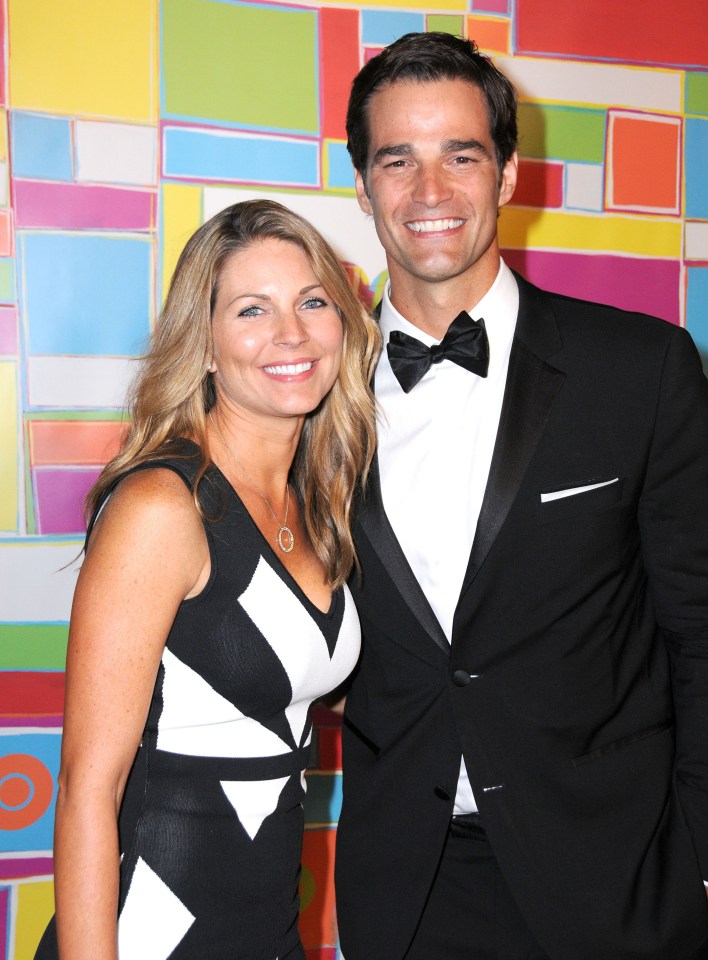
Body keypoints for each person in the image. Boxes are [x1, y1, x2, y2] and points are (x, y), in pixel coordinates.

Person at [334, 31, 708, 960]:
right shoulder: (311, 394)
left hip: (619, 881)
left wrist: (699, 866)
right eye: (398, 161)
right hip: (408, 891)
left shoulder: (641, 370)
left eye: (461, 156)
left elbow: (700, 631)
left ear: (506, 174)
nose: (429, 193)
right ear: (362, 185)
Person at [33, 199, 380, 960]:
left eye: (312, 301)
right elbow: (89, 789)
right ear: (208, 347)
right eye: (252, 310)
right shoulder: (164, 506)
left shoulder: (321, 503)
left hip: (268, 928)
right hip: (153, 930)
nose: (291, 333)